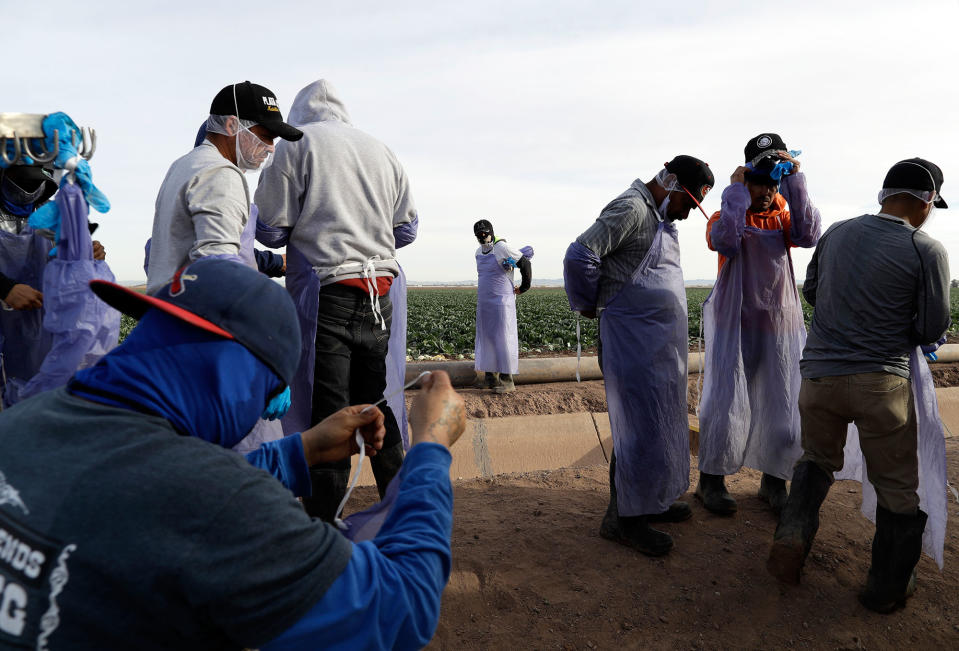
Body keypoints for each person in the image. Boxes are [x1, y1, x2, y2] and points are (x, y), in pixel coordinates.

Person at [0, 257, 466, 649]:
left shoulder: (27, 419)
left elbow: (156, 495)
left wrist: (299, 451)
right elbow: (401, 607)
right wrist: (430, 444)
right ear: (239, 374)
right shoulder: (211, 501)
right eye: (268, 395)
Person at [766, 158, 951, 613]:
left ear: (885, 194)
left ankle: (791, 541)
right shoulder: (925, 248)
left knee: (816, 461)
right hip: (881, 385)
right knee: (896, 486)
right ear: (926, 202)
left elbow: (812, 292)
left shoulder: (836, 234)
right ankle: (885, 589)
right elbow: (931, 326)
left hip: (820, 378)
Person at [254, 79, 418, 522]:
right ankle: (402, 518)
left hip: (330, 297)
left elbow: (269, 229)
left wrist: (318, 229)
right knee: (377, 408)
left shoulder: (297, 144)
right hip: (379, 299)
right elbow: (407, 230)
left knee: (330, 417)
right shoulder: (380, 149)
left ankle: (322, 531)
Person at [564, 155, 714, 556]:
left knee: (657, 424)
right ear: (671, 182)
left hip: (657, 347)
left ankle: (650, 502)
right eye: (686, 203)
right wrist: (588, 303)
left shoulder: (659, 217)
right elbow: (580, 256)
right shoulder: (632, 209)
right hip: (631, 342)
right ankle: (624, 521)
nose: (684, 214)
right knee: (634, 428)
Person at [696, 133, 821, 516]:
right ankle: (711, 481)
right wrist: (734, 194)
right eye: (758, 181)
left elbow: (809, 234)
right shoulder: (725, 213)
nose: (766, 190)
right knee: (725, 402)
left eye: (773, 181)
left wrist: (796, 181)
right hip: (734, 324)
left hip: (777, 325)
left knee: (783, 401)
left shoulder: (784, 212)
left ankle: (773, 480)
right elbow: (726, 242)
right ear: (745, 178)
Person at [145, 81, 303, 294]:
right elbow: (218, 266)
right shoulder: (221, 173)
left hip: (170, 307)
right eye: (265, 136)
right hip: (199, 316)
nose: (271, 149)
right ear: (232, 125)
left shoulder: (184, 165)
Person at [0, 164, 108, 405]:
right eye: (22, 186)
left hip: (36, 324)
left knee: (33, 396)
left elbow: (59, 254)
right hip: (11, 317)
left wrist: (85, 253)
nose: (30, 194)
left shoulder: (48, 213)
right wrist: (5, 289)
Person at [472, 219, 533, 393]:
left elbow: (524, 263)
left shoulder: (502, 248)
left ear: (491, 231)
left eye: (484, 234)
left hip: (501, 303)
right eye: (478, 236)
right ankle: (491, 378)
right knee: (487, 338)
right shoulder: (478, 252)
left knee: (503, 339)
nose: (482, 238)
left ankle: (507, 381)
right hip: (485, 303)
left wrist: (523, 288)